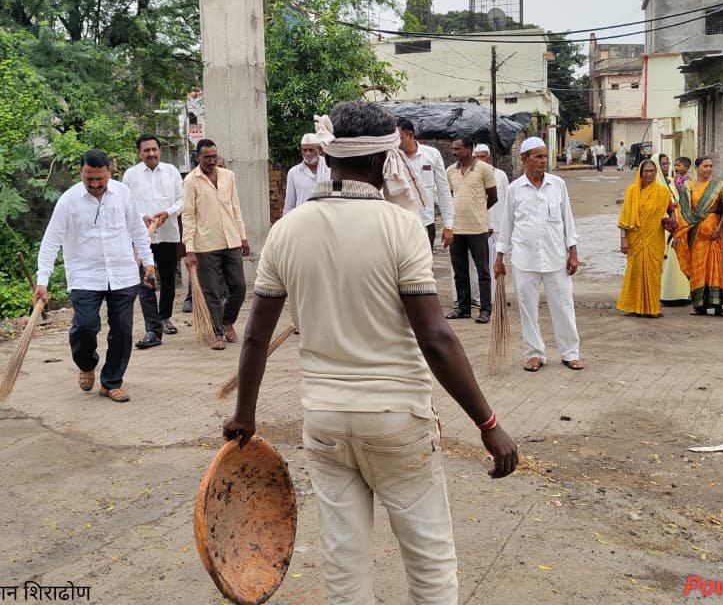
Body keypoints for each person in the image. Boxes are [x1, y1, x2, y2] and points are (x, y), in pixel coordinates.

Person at [222, 100, 517, 605]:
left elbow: (253, 338)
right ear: (383, 161)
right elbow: (436, 337)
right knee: (429, 565)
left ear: (330, 157)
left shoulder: (286, 230)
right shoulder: (400, 226)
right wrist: (489, 425)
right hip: (396, 422)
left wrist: (244, 415)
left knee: (343, 564)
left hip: (325, 420)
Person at [36, 150, 154, 401]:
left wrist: (148, 263)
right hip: (84, 276)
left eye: (100, 178)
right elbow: (50, 242)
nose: (95, 184)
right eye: (89, 178)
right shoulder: (68, 201)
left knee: (122, 329)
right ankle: (87, 364)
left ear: (110, 172)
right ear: (81, 172)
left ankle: (111, 381)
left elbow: (137, 229)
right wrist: (42, 281)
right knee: (85, 327)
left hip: (122, 273)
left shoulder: (122, 193)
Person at [495, 137, 582, 371]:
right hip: (525, 259)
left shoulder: (558, 185)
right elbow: (506, 226)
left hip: (556, 258)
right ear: (525, 159)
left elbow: (568, 220)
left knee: (564, 306)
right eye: (538, 157)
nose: (544, 161)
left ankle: (570, 353)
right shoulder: (514, 190)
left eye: (545, 156)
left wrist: (573, 253)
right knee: (528, 309)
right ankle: (534, 354)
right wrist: (499, 258)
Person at [183, 139, 250, 350]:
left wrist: (243, 236)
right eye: (207, 157)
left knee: (239, 286)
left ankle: (227, 321)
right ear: (197, 158)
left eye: (214, 156)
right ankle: (216, 333)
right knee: (210, 290)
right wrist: (189, 249)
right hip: (205, 244)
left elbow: (236, 208)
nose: (212, 161)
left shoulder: (227, 176)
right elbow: (188, 216)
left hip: (231, 240)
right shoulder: (191, 181)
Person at [123, 134, 183, 350]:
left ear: (160, 150)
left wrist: (168, 212)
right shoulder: (131, 175)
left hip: (167, 234)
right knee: (146, 280)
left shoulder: (172, 171)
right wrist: (141, 217)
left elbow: (181, 199)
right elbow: (126, 203)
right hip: (142, 236)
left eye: (154, 149)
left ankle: (164, 316)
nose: (151, 154)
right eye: (146, 150)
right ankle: (152, 326)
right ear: (139, 153)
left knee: (168, 278)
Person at [446, 136, 499, 324]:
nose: (454, 152)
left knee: (483, 272)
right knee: (459, 272)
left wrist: (477, 210)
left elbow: (492, 197)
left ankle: (485, 310)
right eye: (453, 148)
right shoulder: (450, 171)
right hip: (456, 229)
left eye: (457, 149)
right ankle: (463, 308)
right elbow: (451, 196)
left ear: (469, 149)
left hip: (477, 229)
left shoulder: (485, 169)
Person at [672, 156, 723, 316]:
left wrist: (720, 229)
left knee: (716, 267)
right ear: (697, 168)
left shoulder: (720, 185)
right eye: (705, 166)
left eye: (711, 166)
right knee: (697, 267)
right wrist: (680, 232)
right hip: (694, 232)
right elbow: (683, 210)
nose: (709, 169)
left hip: (713, 233)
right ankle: (699, 305)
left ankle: (718, 305)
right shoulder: (687, 185)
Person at [616, 160, 670, 317]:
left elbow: (671, 211)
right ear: (640, 172)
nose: (650, 174)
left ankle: (652, 308)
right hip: (635, 239)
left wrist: (671, 222)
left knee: (653, 272)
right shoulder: (632, 191)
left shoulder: (663, 192)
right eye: (646, 171)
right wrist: (623, 239)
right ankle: (635, 307)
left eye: (653, 171)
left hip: (655, 239)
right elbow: (625, 217)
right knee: (636, 272)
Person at [397, 117, 454, 249]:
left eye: (399, 138)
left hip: (426, 223)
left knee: (425, 267)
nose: (396, 142)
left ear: (410, 135)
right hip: (400, 225)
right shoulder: (392, 158)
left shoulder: (431, 154)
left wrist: (448, 225)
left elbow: (443, 191)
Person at [473, 143, 508, 302]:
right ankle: (481, 298)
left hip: (498, 225)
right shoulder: (472, 175)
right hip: (479, 226)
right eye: (477, 157)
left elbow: (507, 201)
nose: (480, 159)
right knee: (480, 265)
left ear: (489, 157)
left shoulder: (500, 175)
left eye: (482, 156)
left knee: (497, 262)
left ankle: (496, 296)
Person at [657, 154, 691, 306]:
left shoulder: (671, 181)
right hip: (661, 226)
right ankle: (664, 293)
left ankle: (679, 293)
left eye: (667, 163)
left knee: (677, 259)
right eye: (662, 164)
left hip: (676, 225)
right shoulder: (655, 184)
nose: (666, 166)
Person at [283, 133, 330, 215]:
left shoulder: (330, 168)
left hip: (326, 219)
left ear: (319, 150)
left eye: (311, 150)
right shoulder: (293, 173)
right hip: (302, 220)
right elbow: (289, 205)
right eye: (304, 150)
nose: (307, 154)